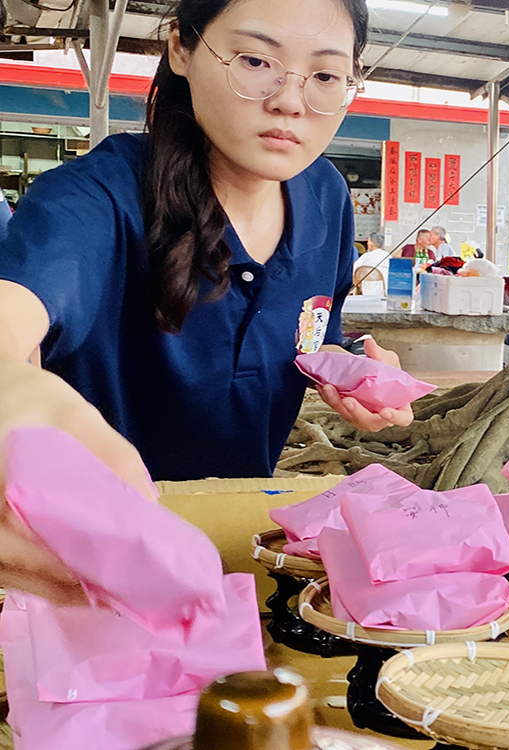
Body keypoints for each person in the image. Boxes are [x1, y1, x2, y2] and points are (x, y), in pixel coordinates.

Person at [0, 0, 415, 605]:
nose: (290, 102)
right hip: (85, 565)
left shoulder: (327, 195)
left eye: (325, 75)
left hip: (240, 541)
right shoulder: (99, 196)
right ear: (180, 49)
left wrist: (352, 366)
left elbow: (307, 328)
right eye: (255, 60)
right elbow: (14, 311)